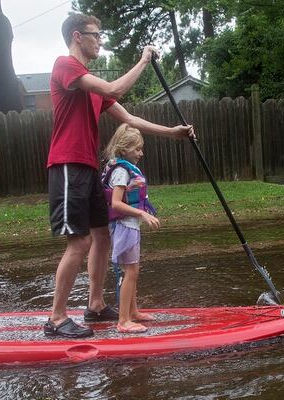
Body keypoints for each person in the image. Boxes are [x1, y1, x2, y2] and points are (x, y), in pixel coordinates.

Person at [44, 13, 193, 338]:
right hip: (67, 166)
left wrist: (173, 132)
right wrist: (142, 60)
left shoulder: (93, 88)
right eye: (95, 35)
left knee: (102, 236)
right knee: (80, 241)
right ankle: (56, 318)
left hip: (88, 168)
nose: (100, 40)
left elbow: (130, 118)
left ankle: (95, 306)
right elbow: (115, 86)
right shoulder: (65, 65)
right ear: (77, 37)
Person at [102, 124, 158, 333]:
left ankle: (132, 312)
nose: (141, 153)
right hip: (124, 225)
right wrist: (142, 213)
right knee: (130, 271)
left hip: (129, 225)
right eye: (137, 149)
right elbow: (116, 203)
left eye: (141, 148)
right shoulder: (120, 172)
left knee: (132, 270)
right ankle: (123, 320)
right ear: (124, 149)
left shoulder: (125, 169)